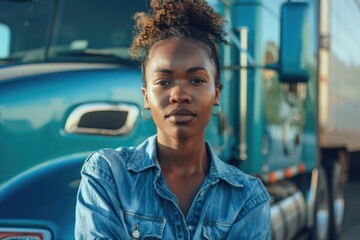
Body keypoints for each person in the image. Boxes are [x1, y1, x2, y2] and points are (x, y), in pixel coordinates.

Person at [75, 0, 271, 239]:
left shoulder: (248, 198)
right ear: (146, 97)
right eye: (164, 82)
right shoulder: (107, 176)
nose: (179, 95)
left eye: (197, 80)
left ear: (217, 94)